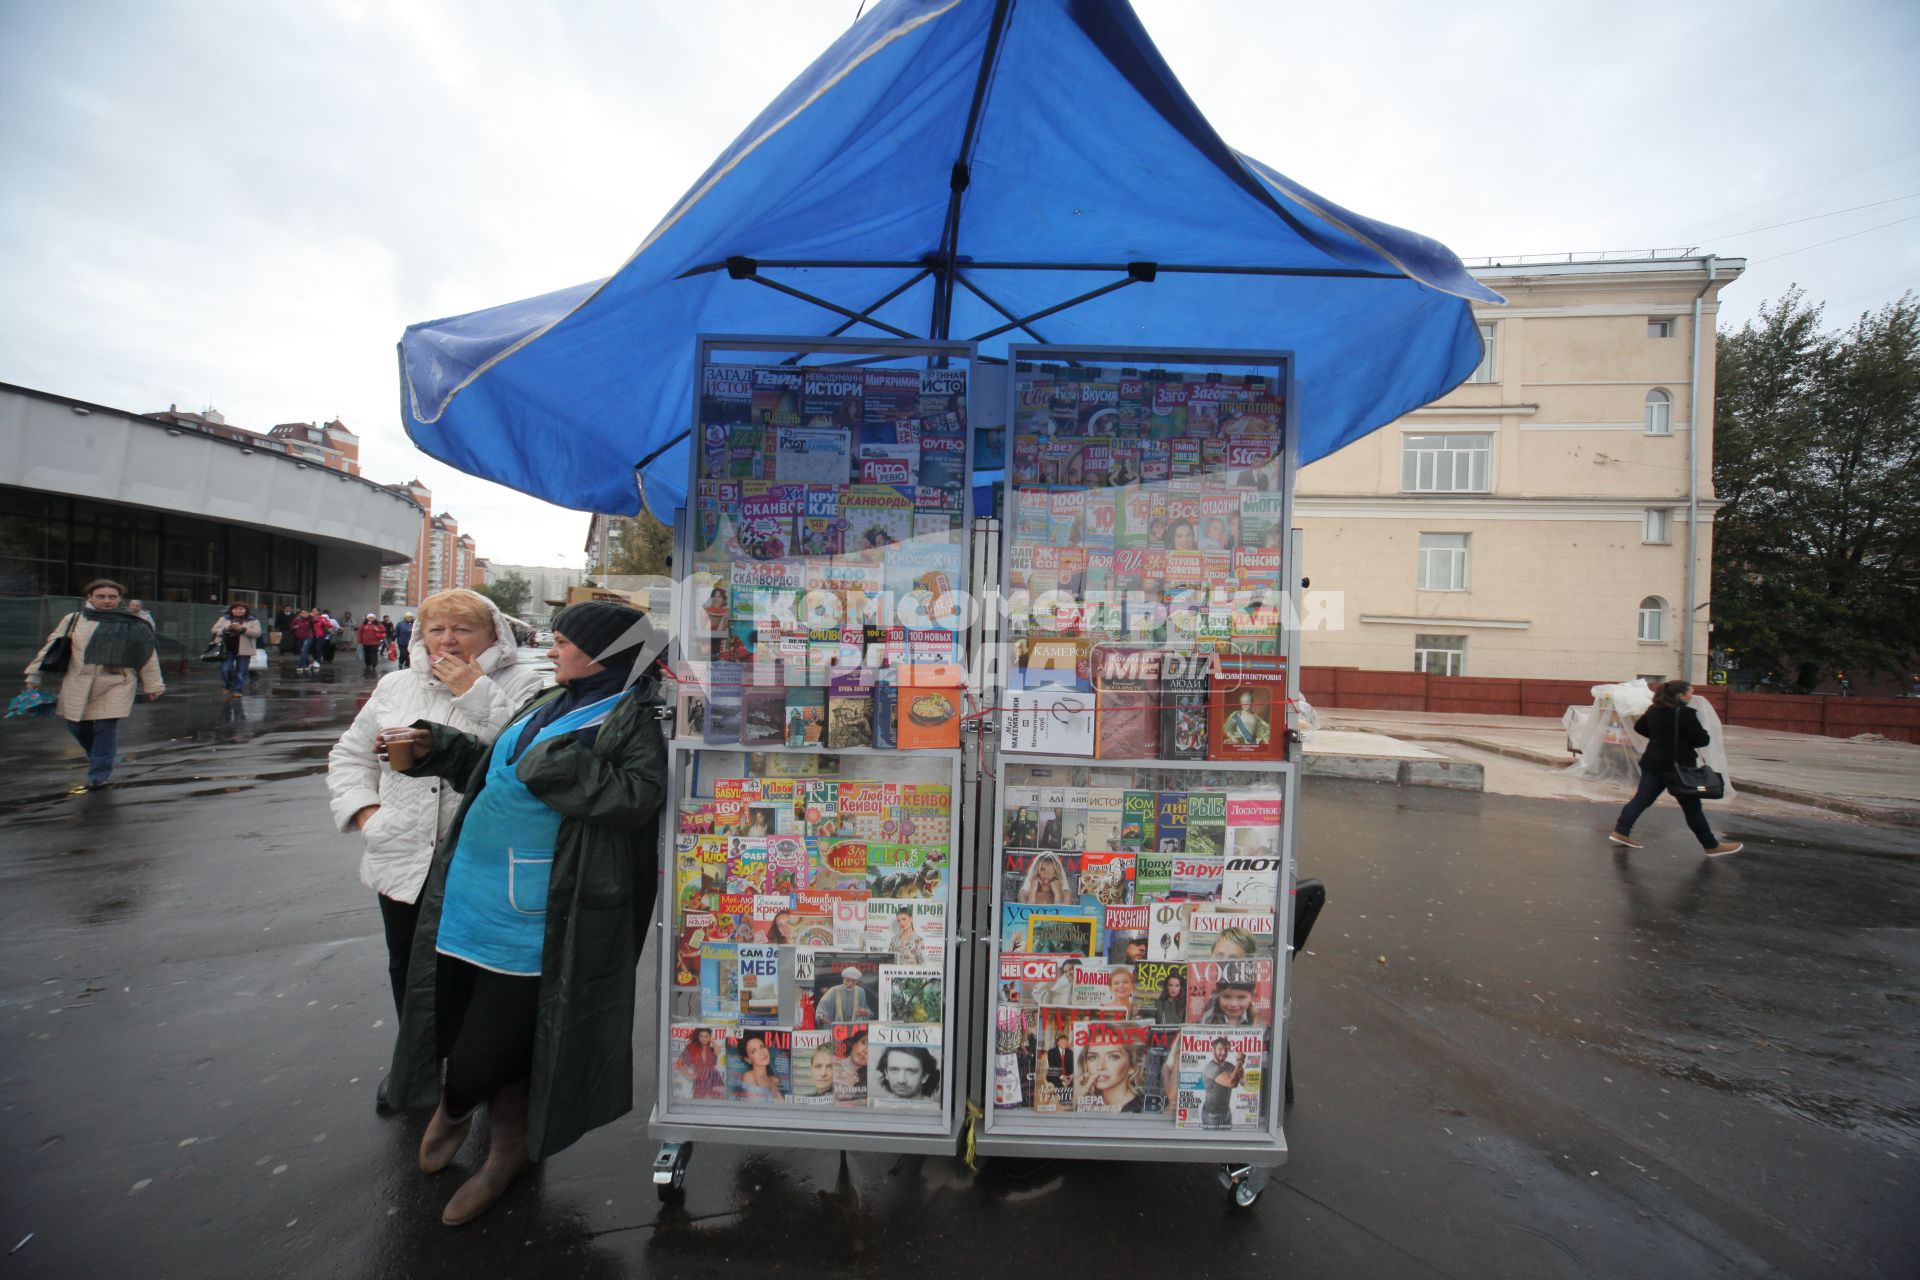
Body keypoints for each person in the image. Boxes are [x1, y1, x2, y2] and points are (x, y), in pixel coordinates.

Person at [377, 600, 667, 1227]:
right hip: (472, 897)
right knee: (470, 1027)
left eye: (564, 641)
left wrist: (558, 765)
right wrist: (440, 748)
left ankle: (457, 1107)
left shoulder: (633, 717)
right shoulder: (551, 701)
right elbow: (499, 770)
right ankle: (508, 1149)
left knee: (489, 1048)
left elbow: (636, 798)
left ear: (605, 655)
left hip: (536, 908)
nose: (554, 649)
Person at [325, 589, 544, 1038]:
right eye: (436, 630)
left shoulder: (523, 684)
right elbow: (350, 755)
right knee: (407, 965)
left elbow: (523, 757)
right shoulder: (396, 684)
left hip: (478, 858)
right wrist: (368, 814)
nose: (447, 641)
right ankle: (417, 1064)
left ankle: (468, 1068)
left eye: (463, 629)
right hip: (401, 850)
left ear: (493, 635)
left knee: (474, 969)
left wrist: (474, 691)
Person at [23, 580, 164, 790]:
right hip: (78, 681)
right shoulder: (75, 620)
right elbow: (53, 645)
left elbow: (147, 655)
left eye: (112, 597)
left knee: (105, 727)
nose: (106, 601)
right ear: (90, 597)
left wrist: (153, 685)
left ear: (119, 599)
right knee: (77, 726)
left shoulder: (134, 624)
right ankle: (100, 757)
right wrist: (34, 674)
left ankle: (98, 774)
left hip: (117, 682)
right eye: (101, 596)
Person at [1609, 680, 1743, 857]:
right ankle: (1711, 845)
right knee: (1692, 808)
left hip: (1652, 763)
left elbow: (1639, 727)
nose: (1691, 696)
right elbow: (1702, 740)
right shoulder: (1685, 714)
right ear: (1680, 696)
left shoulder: (1654, 710)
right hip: (1678, 768)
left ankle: (1621, 831)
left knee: (1641, 800)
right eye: (1690, 693)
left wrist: (1659, 738)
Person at [1075, 1034, 1144, 1112]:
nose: (1100, 1066)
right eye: (1093, 1057)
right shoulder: (1085, 1104)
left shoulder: (1143, 1109)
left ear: (1132, 1066)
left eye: (1113, 1057)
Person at [211, 602, 262, 699]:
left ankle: (237, 690)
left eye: (241, 609)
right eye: (235, 609)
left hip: (244, 649)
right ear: (231, 610)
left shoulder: (253, 620)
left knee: (241, 671)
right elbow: (214, 630)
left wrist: (242, 629)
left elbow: (258, 633)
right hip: (227, 649)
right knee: (226, 669)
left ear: (246, 610)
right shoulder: (224, 619)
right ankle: (227, 685)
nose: (238, 611)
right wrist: (226, 629)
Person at [1200, 1038, 1244, 1130]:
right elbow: (1232, 1082)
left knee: (1227, 1143)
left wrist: (1240, 1068)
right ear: (1213, 1050)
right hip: (1212, 1116)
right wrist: (1239, 1062)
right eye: (1220, 1049)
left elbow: (1241, 1082)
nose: (1223, 1053)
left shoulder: (1229, 1065)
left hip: (1227, 1113)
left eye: (1226, 1050)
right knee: (1211, 1143)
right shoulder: (1211, 1068)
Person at [730, 1032, 785, 1102]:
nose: (762, 1053)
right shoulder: (748, 1077)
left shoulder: (775, 1080)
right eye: (754, 1051)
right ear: (747, 1059)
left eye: (762, 1046)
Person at [673, 1027, 723, 1100]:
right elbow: (679, 1063)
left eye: (706, 1036)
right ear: (698, 1037)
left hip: (714, 1077)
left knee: (719, 1101)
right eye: (701, 1036)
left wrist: (713, 1041)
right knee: (698, 1101)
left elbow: (717, 1052)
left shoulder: (712, 1047)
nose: (704, 1039)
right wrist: (689, 1075)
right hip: (700, 1077)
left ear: (710, 1037)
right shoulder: (692, 1047)